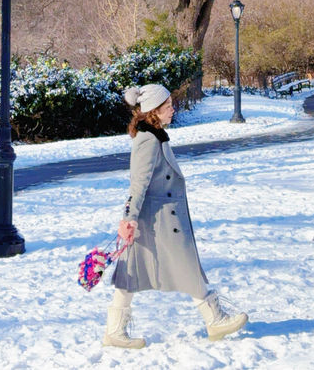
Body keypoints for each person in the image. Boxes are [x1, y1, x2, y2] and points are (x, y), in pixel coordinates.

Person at [103, 82, 248, 349]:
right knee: (161, 267)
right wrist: (130, 218)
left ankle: (115, 330)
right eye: (167, 106)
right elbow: (138, 184)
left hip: (161, 217)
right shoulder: (147, 141)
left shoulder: (155, 135)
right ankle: (214, 320)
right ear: (153, 111)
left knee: (137, 271)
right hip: (155, 220)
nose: (173, 109)